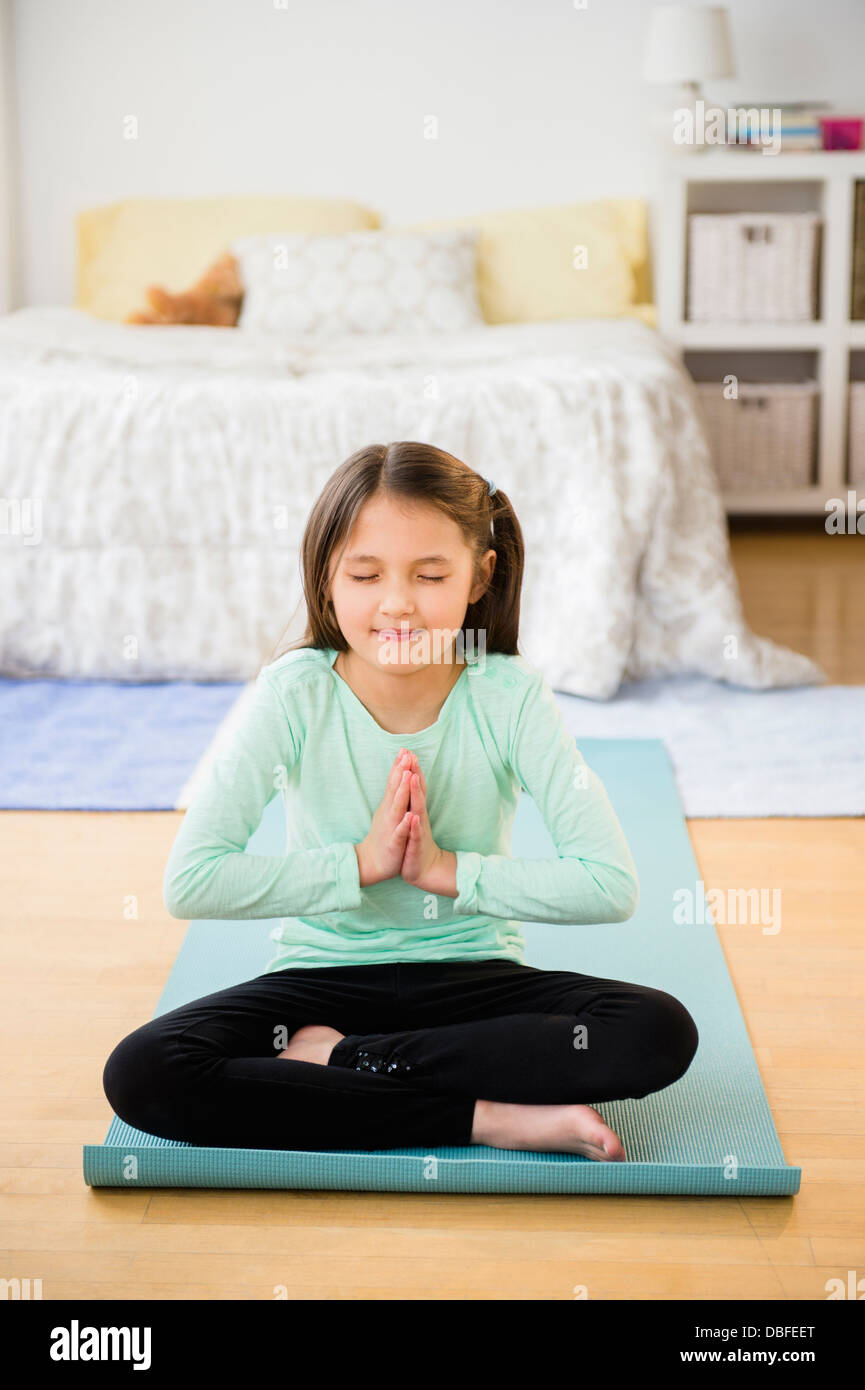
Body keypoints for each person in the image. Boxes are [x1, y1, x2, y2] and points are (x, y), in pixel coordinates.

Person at [102, 441, 698, 1163]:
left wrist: (450, 871)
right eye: (364, 573)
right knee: (145, 1073)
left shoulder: (508, 696)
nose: (395, 603)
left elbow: (608, 885)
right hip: (316, 983)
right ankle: (490, 1118)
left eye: (430, 574)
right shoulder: (294, 693)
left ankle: (344, 1064)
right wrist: (358, 864)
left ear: (480, 577)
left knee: (654, 1029)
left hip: (473, 980)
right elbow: (192, 879)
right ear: (327, 579)